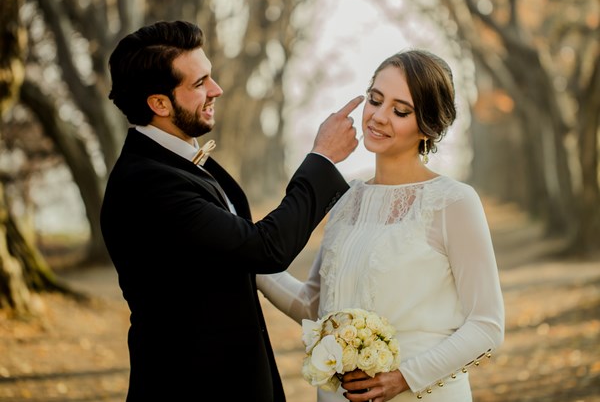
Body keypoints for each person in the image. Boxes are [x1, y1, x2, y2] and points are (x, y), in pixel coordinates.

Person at [100, 20, 364, 402]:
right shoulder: (147, 184)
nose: (216, 89)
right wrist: (322, 158)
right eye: (199, 83)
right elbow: (263, 249)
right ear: (158, 103)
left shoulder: (180, 161)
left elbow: (239, 259)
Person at [257, 49, 505, 402]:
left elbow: (487, 325)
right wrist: (245, 258)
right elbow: (313, 306)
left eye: (400, 111)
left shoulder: (453, 202)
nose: (378, 117)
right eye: (375, 100)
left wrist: (404, 378)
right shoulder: (344, 200)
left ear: (428, 126)